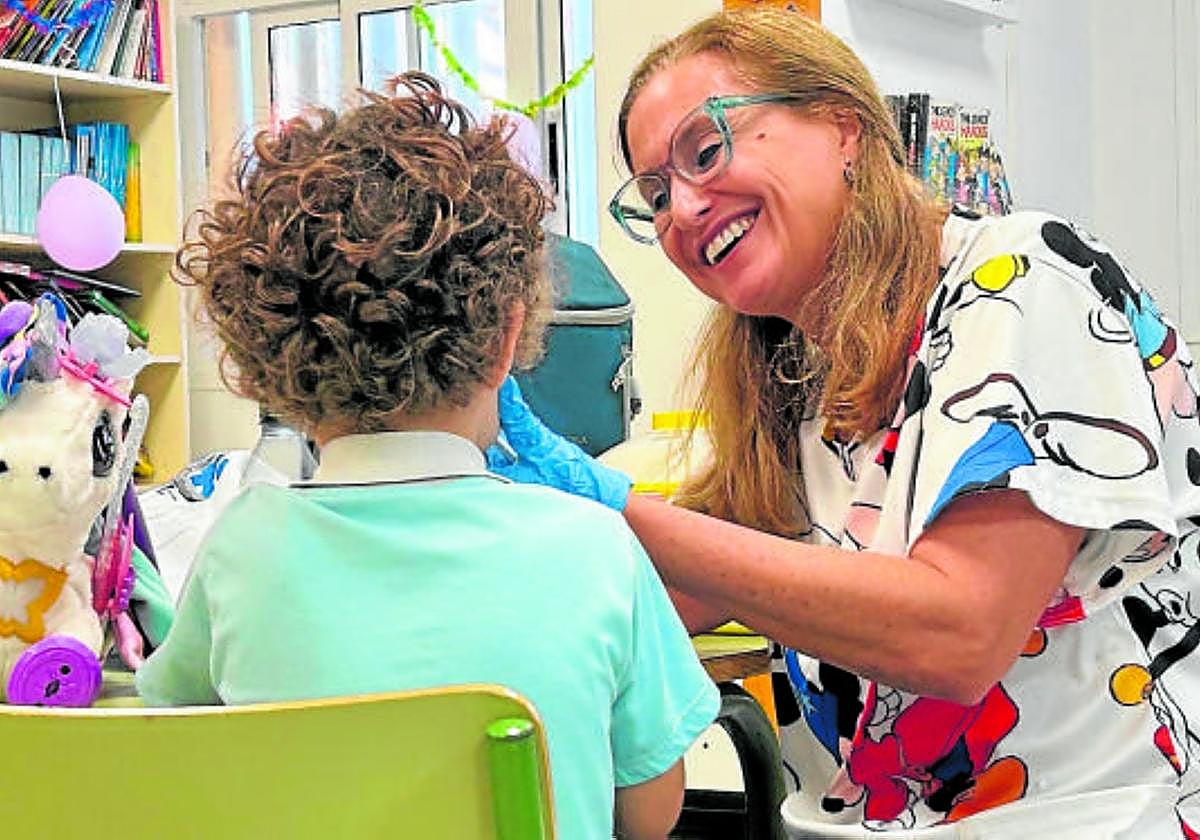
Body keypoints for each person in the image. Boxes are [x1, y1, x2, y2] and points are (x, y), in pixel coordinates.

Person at [486, 8, 1200, 838]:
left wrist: (613, 508)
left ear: (842, 125)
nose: (681, 208)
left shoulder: (1025, 277)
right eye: (654, 194)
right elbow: (699, 584)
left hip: (1094, 816)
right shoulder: (796, 376)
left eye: (704, 150)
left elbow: (960, 634)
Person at [135, 72, 719, 840]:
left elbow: (173, 725)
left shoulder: (244, 548)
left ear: (270, 357)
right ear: (509, 335)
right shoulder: (595, 549)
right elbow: (648, 816)